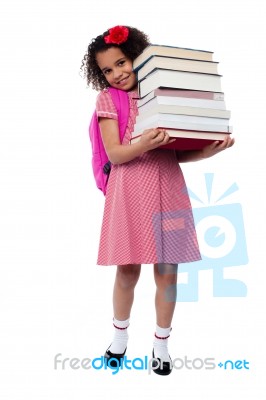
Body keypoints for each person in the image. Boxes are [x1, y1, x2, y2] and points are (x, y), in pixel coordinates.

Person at [80, 25, 234, 375]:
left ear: (139, 58)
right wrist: (144, 144)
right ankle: (119, 338)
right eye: (107, 69)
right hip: (129, 189)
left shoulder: (163, 95)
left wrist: (209, 150)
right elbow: (116, 154)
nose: (117, 73)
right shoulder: (108, 99)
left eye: (123, 62)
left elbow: (175, 154)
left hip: (167, 187)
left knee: (167, 274)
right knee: (127, 270)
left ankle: (161, 345)